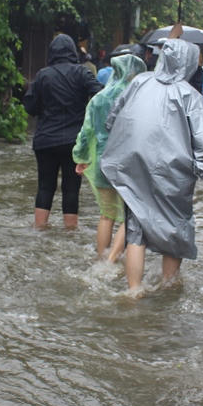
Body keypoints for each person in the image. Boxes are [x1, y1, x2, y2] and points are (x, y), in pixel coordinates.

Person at [100, 39, 203, 293]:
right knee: (176, 226)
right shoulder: (190, 95)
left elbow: (113, 116)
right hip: (173, 170)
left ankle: (133, 292)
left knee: (136, 229)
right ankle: (168, 287)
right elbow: (202, 140)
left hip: (133, 164)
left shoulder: (139, 82)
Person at [22, 33, 103, 228]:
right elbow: (101, 95)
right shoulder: (82, 73)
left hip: (45, 140)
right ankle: (70, 233)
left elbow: (30, 108)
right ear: (72, 52)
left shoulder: (42, 75)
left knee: (44, 186)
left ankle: (39, 229)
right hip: (73, 143)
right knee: (71, 189)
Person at [72, 52, 147, 262]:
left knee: (106, 215)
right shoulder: (136, 97)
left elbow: (86, 132)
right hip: (128, 164)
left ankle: (101, 257)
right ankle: (113, 259)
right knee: (131, 215)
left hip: (102, 163)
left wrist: (80, 157)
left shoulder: (99, 98)